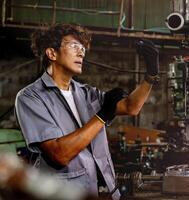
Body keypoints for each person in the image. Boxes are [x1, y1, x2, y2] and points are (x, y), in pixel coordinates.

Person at [15, 23, 159, 200]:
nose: (81, 52)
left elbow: (131, 107)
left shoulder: (86, 93)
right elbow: (59, 154)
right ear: (52, 53)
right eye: (74, 46)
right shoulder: (31, 98)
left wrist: (151, 75)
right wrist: (102, 116)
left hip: (106, 191)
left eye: (83, 47)